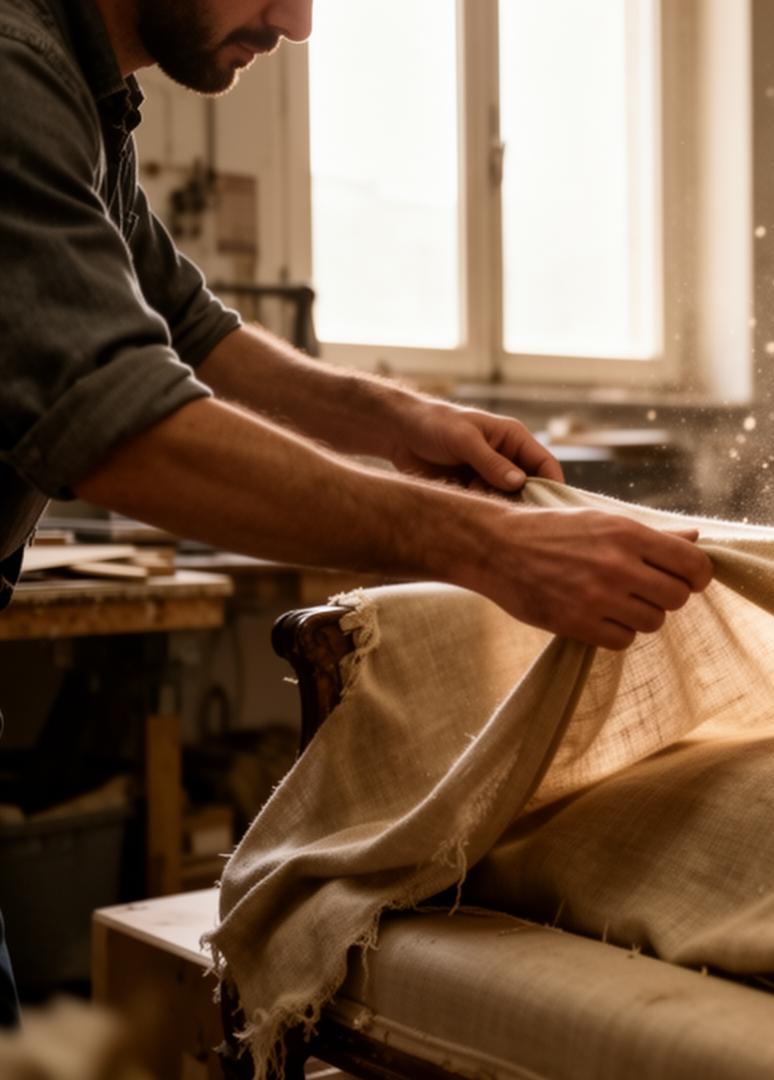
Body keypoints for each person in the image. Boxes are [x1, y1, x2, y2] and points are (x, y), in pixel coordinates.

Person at [0, 0, 714, 1026]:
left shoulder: (81, 85)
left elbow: (187, 329)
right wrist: (495, 547)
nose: (296, 23)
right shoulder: (15, 74)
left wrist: (400, 421)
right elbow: (121, 429)